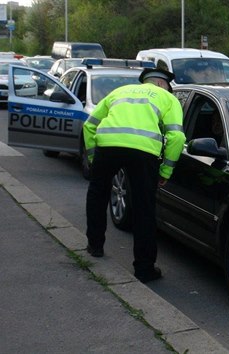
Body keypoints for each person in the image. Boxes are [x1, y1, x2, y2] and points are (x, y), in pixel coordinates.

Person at [82, 68, 186, 283]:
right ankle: (144, 269)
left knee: (97, 195)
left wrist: (93, 159)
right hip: (144, 153)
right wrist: (165, 170)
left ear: (144, 82)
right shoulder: (167, 98)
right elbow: (176, 137)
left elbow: (89, 125)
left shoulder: (119, 92)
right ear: (161, 84)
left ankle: (95, 246)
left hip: (107, 146)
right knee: (144, 209)